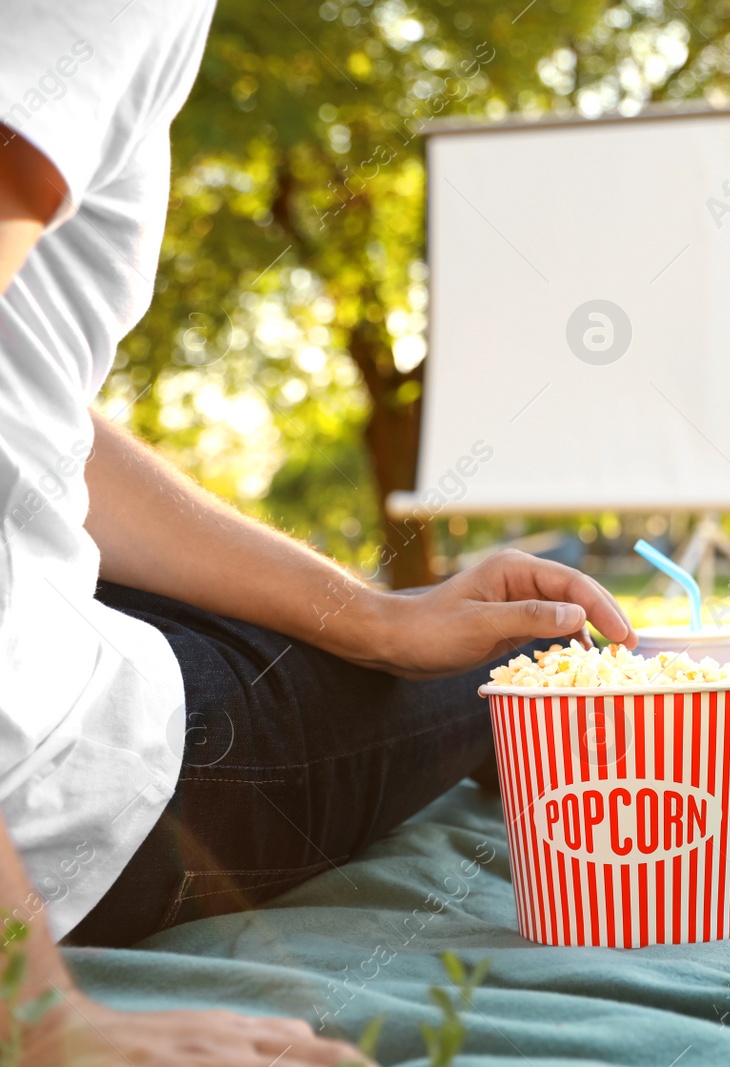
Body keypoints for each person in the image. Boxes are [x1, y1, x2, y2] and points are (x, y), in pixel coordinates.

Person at [1, 4, 636, 1064]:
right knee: (539, 636)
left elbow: (38, 420)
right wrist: (31, 1008)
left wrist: (378, 618)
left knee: (458, 631)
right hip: (51, 777)